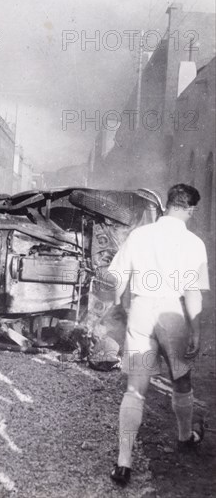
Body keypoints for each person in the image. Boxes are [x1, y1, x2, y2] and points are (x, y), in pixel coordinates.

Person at [107, 184, 210, 486]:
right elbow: (192, 292)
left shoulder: (139, 235)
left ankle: (123, 463)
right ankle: (184, 437)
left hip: (140, 307)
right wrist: (195, 330)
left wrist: (118, 306)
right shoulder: (194, 243)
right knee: (181, 379)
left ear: (167, 205)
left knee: (135, 388)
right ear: (191, 209)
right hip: (171, 312)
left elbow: (115, 277)